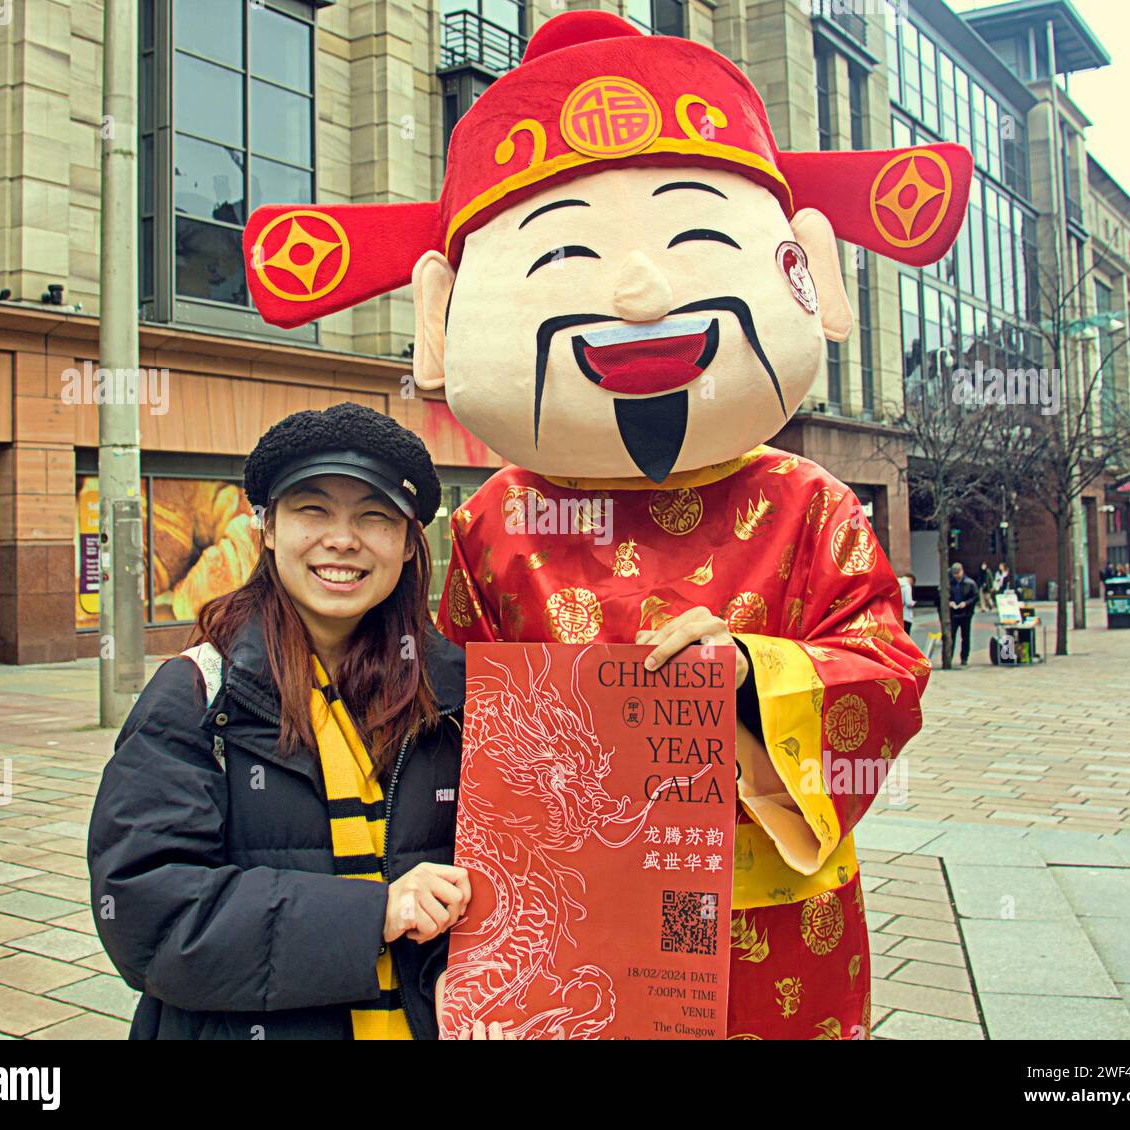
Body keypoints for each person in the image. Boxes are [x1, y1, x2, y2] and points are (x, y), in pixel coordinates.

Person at [242, 8, 970, 1040]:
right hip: (565, 899)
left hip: (766, 913)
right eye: (564, 258)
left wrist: (755, 675)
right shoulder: (496, 520)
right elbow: (454, 704)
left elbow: (888, 666)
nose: (635, 292)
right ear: (442, 321)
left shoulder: (811, 503)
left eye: (700, 240)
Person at [88, 402, 483, 1041]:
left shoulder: (458, 698)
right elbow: (147, 914)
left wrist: (458, 970)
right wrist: (373, 914)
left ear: (411, 544)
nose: (342, 539)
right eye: (313, 510)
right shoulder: (197, 694)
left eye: (374, 517)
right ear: (268, 530)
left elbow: (513, 877)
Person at [948, 561, 979, 666]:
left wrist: (966, 603)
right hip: (953, 613)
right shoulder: (950, 583)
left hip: (966, 613)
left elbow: (975, 597)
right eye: (954, 573)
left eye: (958, 573)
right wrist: (950, 602)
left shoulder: (970, 583)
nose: (956, 575)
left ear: (962, 571)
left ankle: (964, 657)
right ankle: (949, 656)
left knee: (965, 636)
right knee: (951, 636)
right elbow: (943, 595)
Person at [899, 571, 916, 637]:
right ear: (911, 580)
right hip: (906, 615)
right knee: (906, 635)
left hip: (898, 615)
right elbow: (908, 602)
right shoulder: (907, 587)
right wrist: (913, 603)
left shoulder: (897, 583)